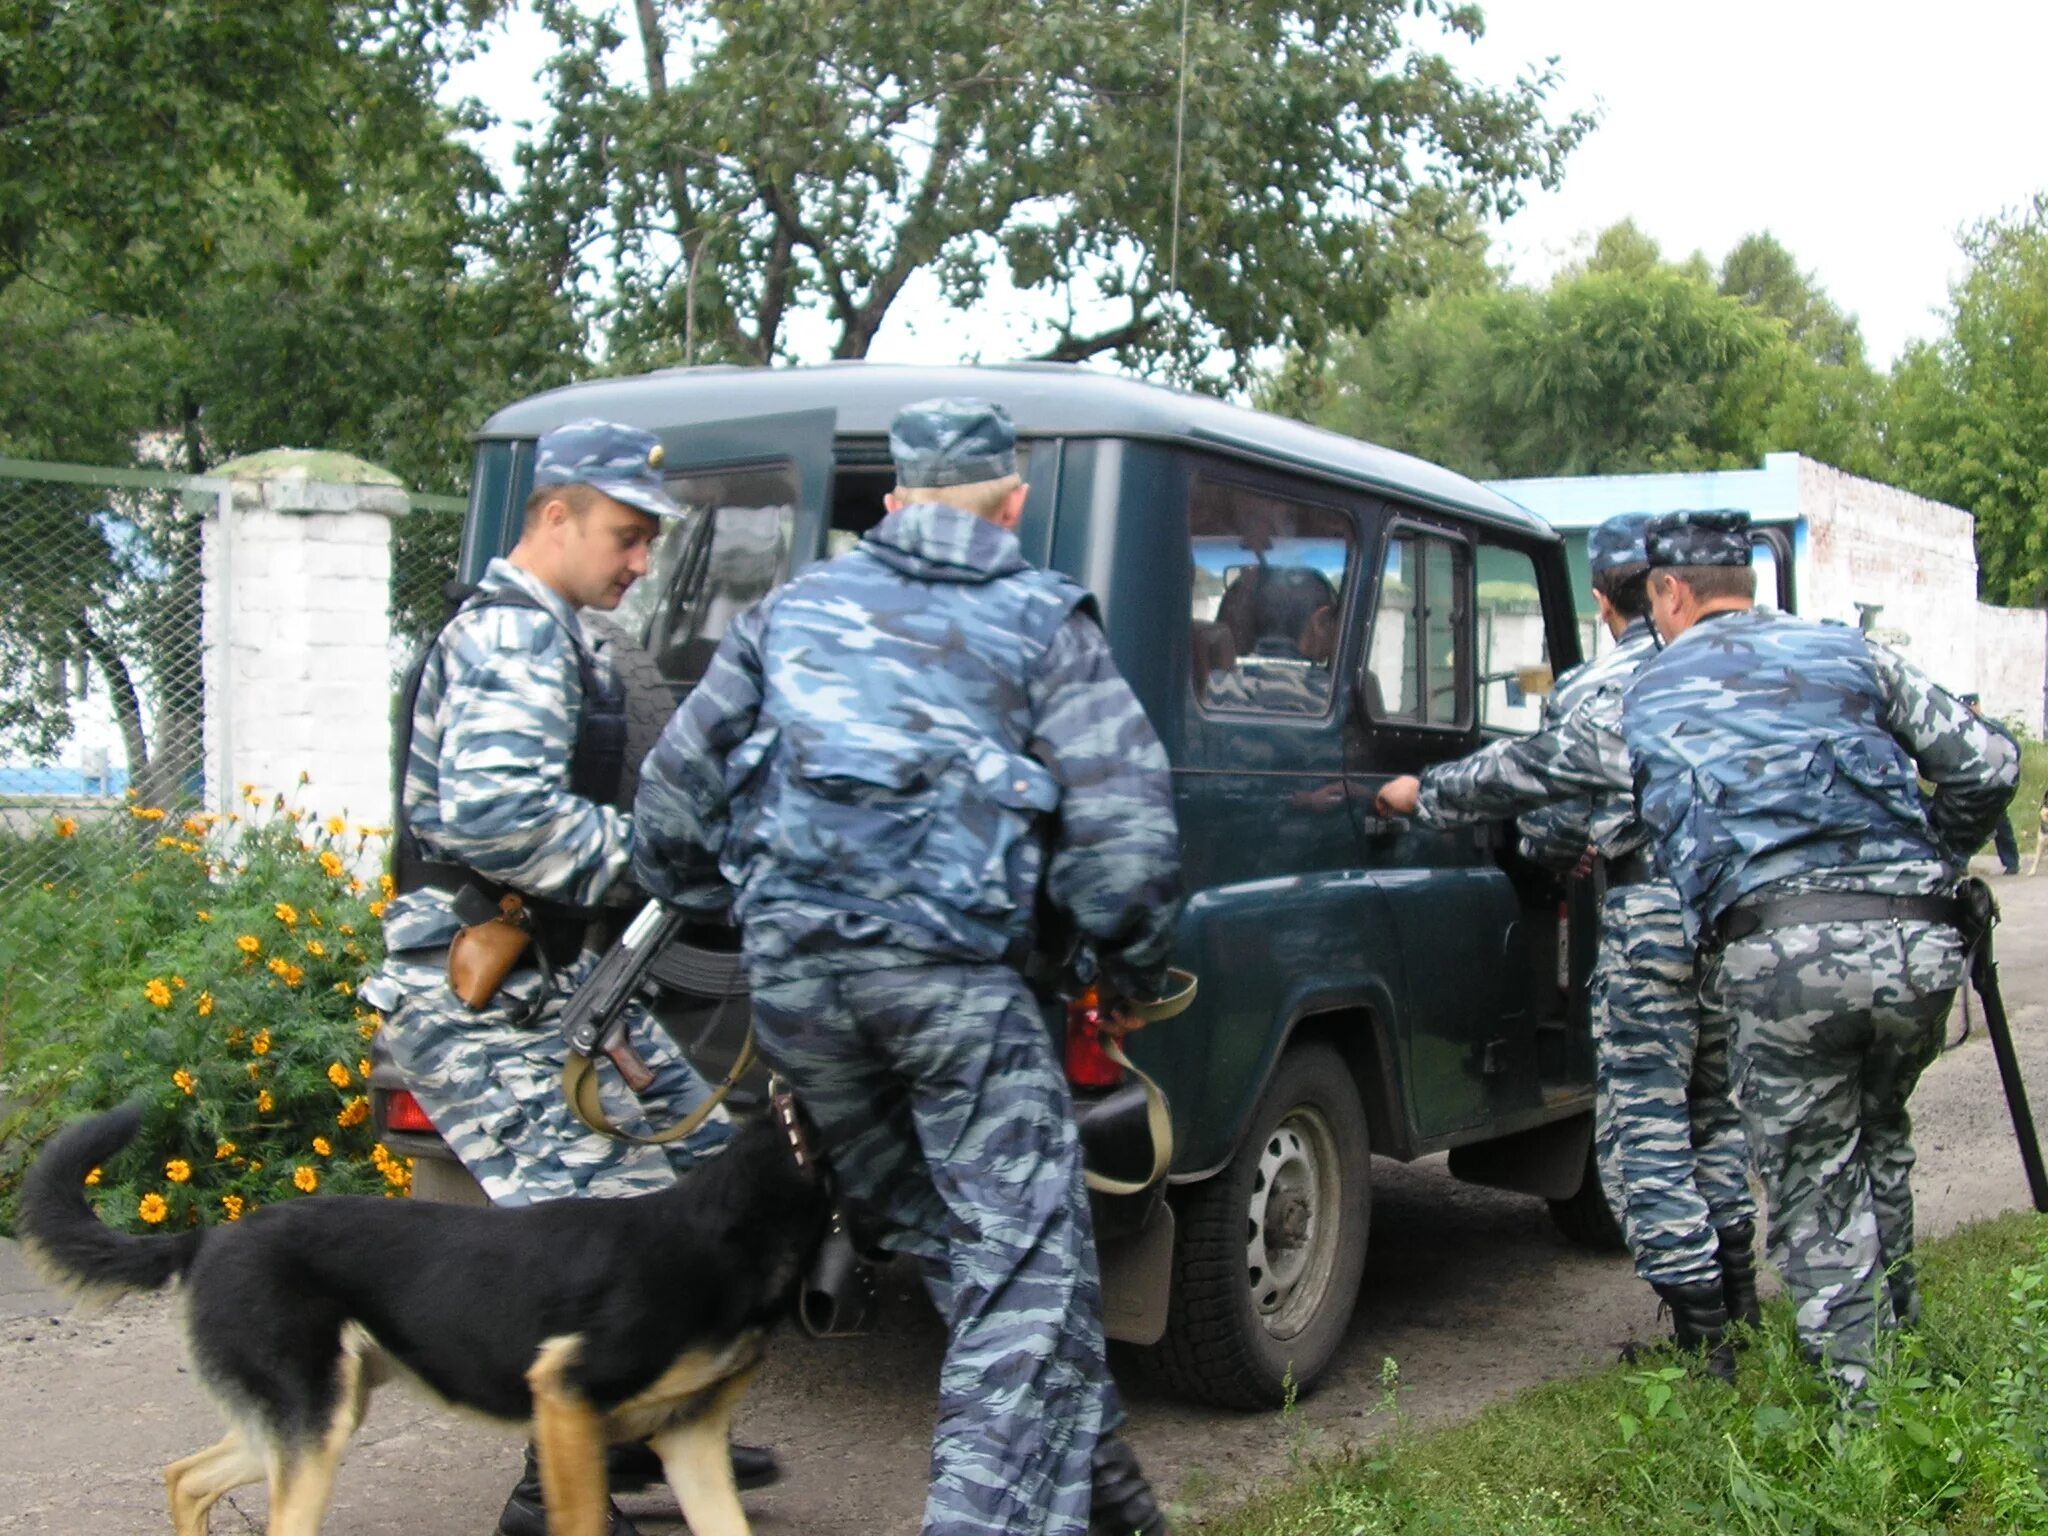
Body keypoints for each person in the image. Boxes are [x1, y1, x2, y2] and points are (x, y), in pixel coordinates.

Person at [631, 397, 1184, 1536]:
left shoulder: (791, 610)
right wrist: (1120, 980)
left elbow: (671, 800)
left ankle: (1113, 1498)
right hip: (956, 1001)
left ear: (889, 502)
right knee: (1017, 1282)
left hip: (801, 1006)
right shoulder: (1040, 620)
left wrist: (745, 914)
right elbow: (1128, 852)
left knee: (975, 1245)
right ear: (1013, 503)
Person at [359, 419, 776, 1536]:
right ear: (553, 516)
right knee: (605, 1230)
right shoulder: (510, 639)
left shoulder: (570, 634)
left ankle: (654, 1422)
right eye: (625, 536)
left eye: (648, 541)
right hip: (478, 997)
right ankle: (553, 1497)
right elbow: (498, 821)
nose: (640, 563)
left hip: (565, 981)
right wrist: (672, 861)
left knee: (708, 1172)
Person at [1620, 509, 2020, 1406]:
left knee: (1813, 1184)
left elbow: (1609, 808)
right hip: (1918, 941)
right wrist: (1939, 863)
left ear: (1670, 593)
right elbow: (1989, 765)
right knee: (1878, 1132)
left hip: (1780, 956)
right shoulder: (1850, 651)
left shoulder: (1649, 688)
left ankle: (1863, 1422)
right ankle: (1904, 1347)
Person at [1374, 513, 1758, 1379]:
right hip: (1738, 917)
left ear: (1605, 596)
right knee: (1714, 1114)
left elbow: (1538, 798)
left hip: (1652, 914)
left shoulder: (1603, 689)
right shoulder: (1750, 670)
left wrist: (1424, 798)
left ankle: (1703, 1351)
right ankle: (1742, 1306)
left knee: (1644, 1130)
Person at [1961, 694, 2022, 873]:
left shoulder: (1992, 726)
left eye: (1973, 705)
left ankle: (2011, 862)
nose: (1970, 710)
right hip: (1971, 781)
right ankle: (1960, 862)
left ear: (1978, 705)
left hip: (1993, 780)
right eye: (1966, 706)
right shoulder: (1961, 730)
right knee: (1965, 823)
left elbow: (2014, 747)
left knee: (1999, 821)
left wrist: (2006, 769)